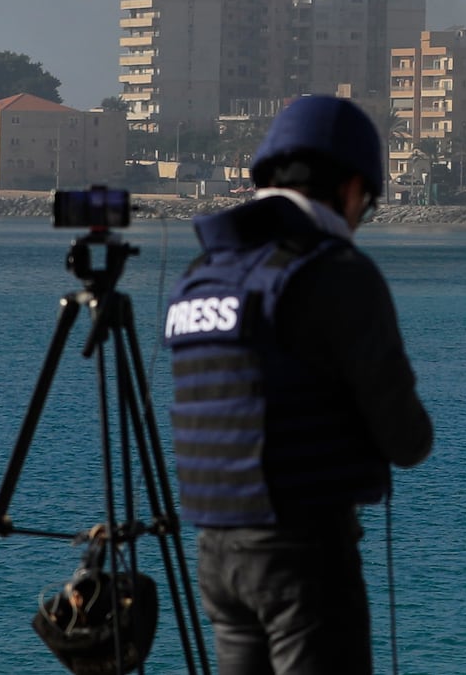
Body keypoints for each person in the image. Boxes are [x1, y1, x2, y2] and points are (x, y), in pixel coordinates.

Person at [163, 95, 434, 674]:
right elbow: (408, 440)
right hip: (301, 550)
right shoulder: (334, 271)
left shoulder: (201, 276)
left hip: (214, 548)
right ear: (351, 187)